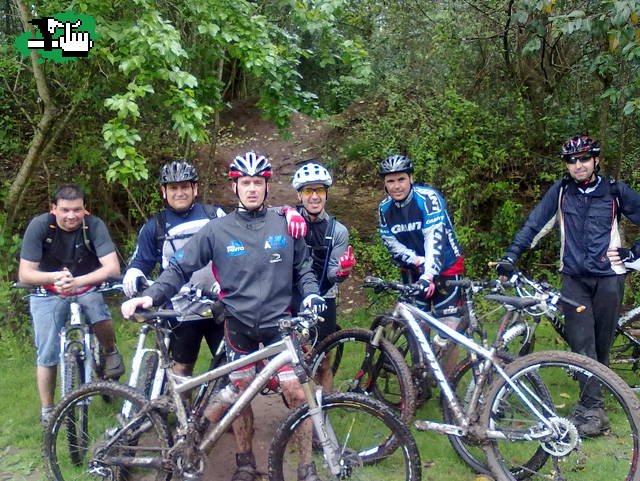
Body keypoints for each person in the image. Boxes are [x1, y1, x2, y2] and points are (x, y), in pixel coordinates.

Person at [122, 152, 326, 481]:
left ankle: (306, 467)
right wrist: (149, 296)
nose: (252, 189)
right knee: (239, 391)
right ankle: (242, 460)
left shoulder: (285, 224)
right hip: (238, 326)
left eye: (258, 182)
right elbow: (178, 269)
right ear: (234, 187)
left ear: (266, 186)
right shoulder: (217, 229)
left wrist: (313, 293)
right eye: (245, 183)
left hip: (279, 326)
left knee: (298, 394)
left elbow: (303, 269)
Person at [495, 134, 640, 436]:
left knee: (601, 345)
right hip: (573, 278)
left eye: (584, 158)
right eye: (572, 161)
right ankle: (592, 412)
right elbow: (534, 224)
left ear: (596, 160)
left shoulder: (614, 191)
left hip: (610, 277)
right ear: (566, 165)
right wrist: (511, 256)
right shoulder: (561, 192)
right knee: (580, 345)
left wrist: (634, 253)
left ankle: (596, 399)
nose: (578, 165)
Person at [18, 184, 124, 424]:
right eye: (65, 210)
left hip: (86, 284)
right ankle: (48, 409)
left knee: (97, 309)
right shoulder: (40, 226)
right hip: (47, 289)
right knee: (46, 351)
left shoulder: (93, 225)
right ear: (53, 208)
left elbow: (112, 268)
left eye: (77, 210)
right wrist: (54, 278)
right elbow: (25, 274)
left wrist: (78, 282)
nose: (71, 216)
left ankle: (110, 351)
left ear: (84, 209)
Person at [122, 161, 226, 377]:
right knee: (182, 368)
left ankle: (227, 408)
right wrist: (134, 274)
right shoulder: (155, 226)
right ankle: (184, 410)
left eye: (185, 187)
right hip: (180, 311)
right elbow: (142, 260)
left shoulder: (215, 215)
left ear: (195, 189)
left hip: (218, 305)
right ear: (164, 191)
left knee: (228, 367)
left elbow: (234, 252)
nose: (180, 193)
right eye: (173, 188)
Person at [377, 154, 465, 377]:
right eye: (391, 181)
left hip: (445, 265)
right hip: (414, 269)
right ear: (384, 184)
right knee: (418, 325)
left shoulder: (428, 198)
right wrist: (416, 261)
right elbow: (391, 243)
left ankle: (448, 384)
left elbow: (434, 239)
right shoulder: (384, 209)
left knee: (449, 329)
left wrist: (429, 274)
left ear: (411, 179)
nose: (396, 186)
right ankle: (420, 377)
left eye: (401, 179)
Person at [291, 162, 356, 390]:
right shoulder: (287, 222)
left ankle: (326, 410)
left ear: (326, 193)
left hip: (324, 298)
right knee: (291, 362)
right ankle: (299, 413)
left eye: (319, 190)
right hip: (292, 298)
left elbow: (332, 273)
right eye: (308, 191)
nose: (314, 196)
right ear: (300, 194)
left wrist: (341, 272)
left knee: (322, 362)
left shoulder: (337, 231)